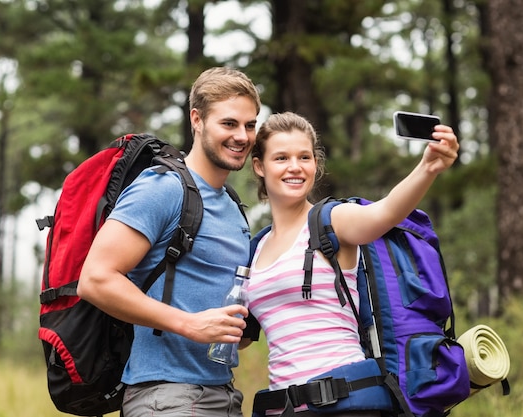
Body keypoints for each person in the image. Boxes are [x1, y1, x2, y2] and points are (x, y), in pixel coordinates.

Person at [244, 111, 459, 417]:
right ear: (259, 166)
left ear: (315, 164)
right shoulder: (256, 247)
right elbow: (239, 337)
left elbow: (383, 214)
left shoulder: (332, 220)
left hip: (346, 403)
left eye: (304, 157)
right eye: (281, 158)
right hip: (285, 408)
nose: (294, 167)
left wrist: (427, 168)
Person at [77, 66, 261, 417]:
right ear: (197, 119)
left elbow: (235, 330)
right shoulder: (162, 188)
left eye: (250, 125)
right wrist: (189, 324)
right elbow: (95, 279)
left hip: (223, 395)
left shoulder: (234, 208)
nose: (242, 136)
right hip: (166, 398)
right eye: (229, 123)